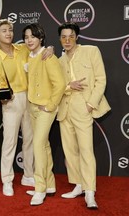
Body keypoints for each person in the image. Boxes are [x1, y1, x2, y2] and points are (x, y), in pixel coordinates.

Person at [0, 19, 53, 196]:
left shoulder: (24, 48)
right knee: (9, 141)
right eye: (4, 31)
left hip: (32, 97)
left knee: (30, 139)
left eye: (10, 30)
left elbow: (40, 52)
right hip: (11, 100)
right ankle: (7, 180)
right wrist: (2, 97)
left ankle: (28, 174)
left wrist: (50, 49)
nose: (8, 33)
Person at [57, 22, 111, 209]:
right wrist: (67, 87)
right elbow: (56, 87)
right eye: (63, 37)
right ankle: (78, 185)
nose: (67, 40)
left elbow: (101, 79)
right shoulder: (59, 60)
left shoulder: (91, 50)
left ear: (77, 37)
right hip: (65, 108)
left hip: (83, 106)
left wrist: (90, 104)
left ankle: (90, 191)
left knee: (86, 150)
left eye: (71, 36)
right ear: (60, 39)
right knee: (70, 151)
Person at [21, 23, 66, 205]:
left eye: (33, 36)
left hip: (45, 108)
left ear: (40, 38)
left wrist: (50, 105)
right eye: (26, 37)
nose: (29, 40)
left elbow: (60, 84)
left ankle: (40, 188)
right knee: (44, 146)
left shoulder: (49, 57)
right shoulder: (29, 56)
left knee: (38, 145)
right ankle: (49, 184)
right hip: (32, 106)